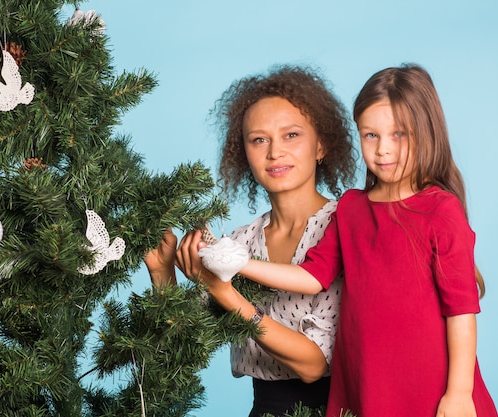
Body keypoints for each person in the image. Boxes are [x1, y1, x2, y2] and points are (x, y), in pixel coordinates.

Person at [196, 64, 498, 417]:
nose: (384, 149)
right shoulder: (352, 208)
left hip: (430, 384)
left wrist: (459, 392)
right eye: (371, 135)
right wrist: (239, 264)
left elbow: (461, 309)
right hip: (368, 384)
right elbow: (312, 277)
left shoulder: (441, 210)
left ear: (425, 133)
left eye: (398, 134)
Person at [144, 64, 357, 417]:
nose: (274, 152)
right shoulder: (237, 243)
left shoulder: (347, 227)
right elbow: (182, 352)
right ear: (243, 152)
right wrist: (162, 272)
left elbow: (313, 364)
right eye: (259, 139)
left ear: (321, 145)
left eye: (291, 135)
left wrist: (223, 290)